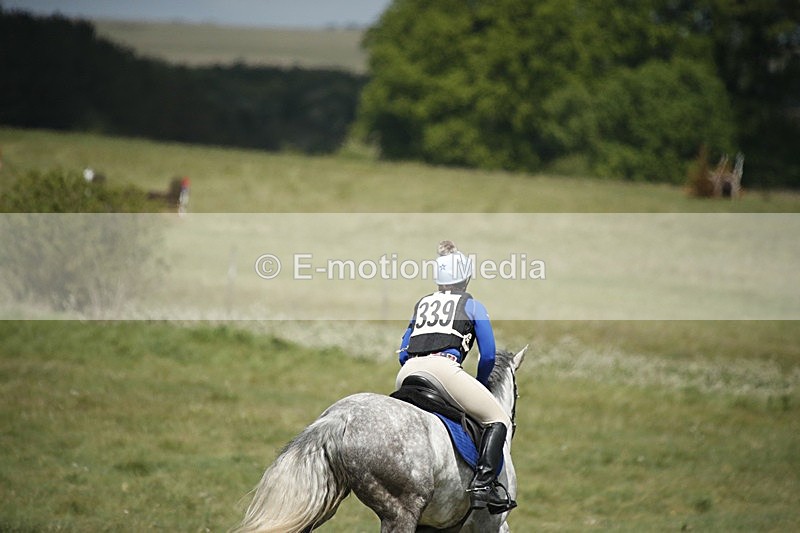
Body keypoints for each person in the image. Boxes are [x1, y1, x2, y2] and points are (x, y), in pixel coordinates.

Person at [397, 240, 516, 513]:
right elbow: (488, 355)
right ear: (465, 278)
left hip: (407, 374)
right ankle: (483, 486)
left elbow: (403, 353)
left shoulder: (422, 304)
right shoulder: (472, 305)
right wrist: (481, 384)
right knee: (497, 418)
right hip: (444, 371)